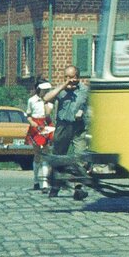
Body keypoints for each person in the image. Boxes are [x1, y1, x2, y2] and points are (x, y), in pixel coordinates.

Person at [42, 65, 89, 198]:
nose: (69, 80)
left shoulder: (84, 90)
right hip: (63, 126)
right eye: (66, 77)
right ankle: (56, 186)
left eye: (72, 77)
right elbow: (46, 98)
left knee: (80, 156)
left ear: (78, 77)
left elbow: (90, 105)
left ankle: (78, 187)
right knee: (59, 157)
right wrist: (63, 85)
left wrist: (83, 111)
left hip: (79, 127)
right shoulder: (60, 90)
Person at [26, 80, 54, 191]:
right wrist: (31, 121)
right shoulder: (31, 100)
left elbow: (48, 114)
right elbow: (28, 114)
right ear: (39, 89)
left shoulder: (50, 101)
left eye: (47, 90)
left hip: (46, 124)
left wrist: (46, 102)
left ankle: (45, 182)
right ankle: (36, 180)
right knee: (37, 154)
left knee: (46, 154)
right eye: (44, 90)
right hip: (35, 125)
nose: (46, 92)